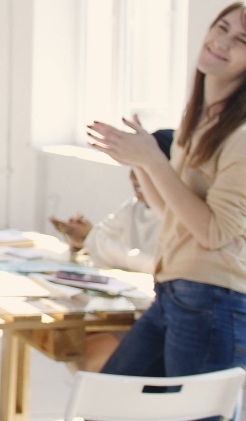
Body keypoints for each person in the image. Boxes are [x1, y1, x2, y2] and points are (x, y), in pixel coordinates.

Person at [90, 0, 246, 378]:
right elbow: (172, 213)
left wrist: (154, 160)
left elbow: (212, 232)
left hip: (216, 301)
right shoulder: (204, 121)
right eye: (221, 27)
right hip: (177, 294)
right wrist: (141, 161)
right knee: (109, 404)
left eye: (241, 40)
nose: (221, 41)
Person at [49, 130, 173, 373]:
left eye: (142, 169)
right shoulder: (135, 207)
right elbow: (102, 240)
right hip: (135, 309)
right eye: (133, 169)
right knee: (69, 342)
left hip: (157, 317)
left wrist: (92, 239)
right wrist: (82, 241)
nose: (135, 178)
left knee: (83, 356)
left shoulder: (176, 212)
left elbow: (153, 264)